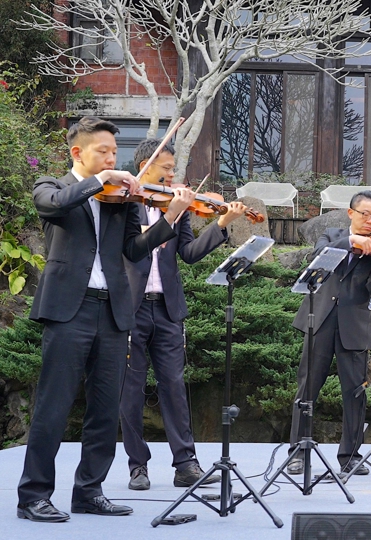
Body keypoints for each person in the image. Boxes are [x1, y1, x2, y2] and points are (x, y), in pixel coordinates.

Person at [17, 117, 191, 522]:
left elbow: (134, 250)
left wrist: (171, 218)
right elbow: (51, 207)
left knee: (104, 407)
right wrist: (100, 181)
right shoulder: (55, 186)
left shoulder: (123, 199)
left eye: (115, 152)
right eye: (104, 152)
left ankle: (89, 491)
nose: (113, 158)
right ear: (78, 152)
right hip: (68, 311)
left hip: (113, 310)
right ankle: (32, 497)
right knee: (53, 405)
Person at [119, 139, 248, 491]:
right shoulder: (123, 201)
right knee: (130, 390)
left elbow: (188, 253)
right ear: (146, 165)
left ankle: (186, 463)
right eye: (167, 168)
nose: (174, 175)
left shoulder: (178, 203)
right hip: (131, 307)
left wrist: (222, 224)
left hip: (167, 307)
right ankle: (137, 466)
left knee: (174, 386)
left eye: (174, 168)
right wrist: (168, 216)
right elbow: (126, 250)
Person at [286, 191, 371, 476]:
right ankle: (298, 452)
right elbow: (319, 257)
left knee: (356, 393)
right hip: (318, 320)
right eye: (365, 215)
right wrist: (351, 242)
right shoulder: (331, 235)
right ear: (351, 214)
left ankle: (350, 455)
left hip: (354, 325)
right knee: (307, 387)